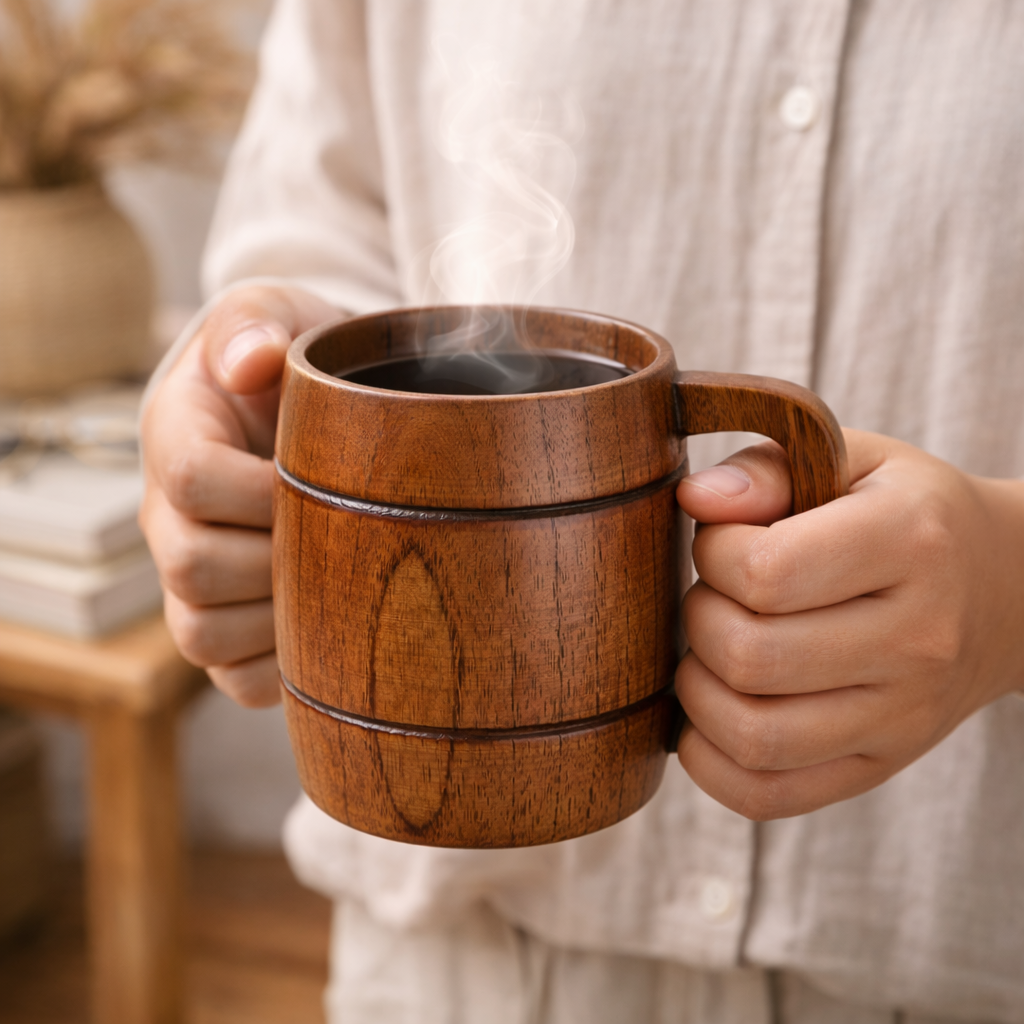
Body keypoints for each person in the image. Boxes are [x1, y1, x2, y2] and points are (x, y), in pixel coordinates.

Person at [140, 2, 1024, 1021]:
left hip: (959, 954)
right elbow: (315, 222)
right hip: (463, 966)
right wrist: (252, 402)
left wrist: (1004, 588)